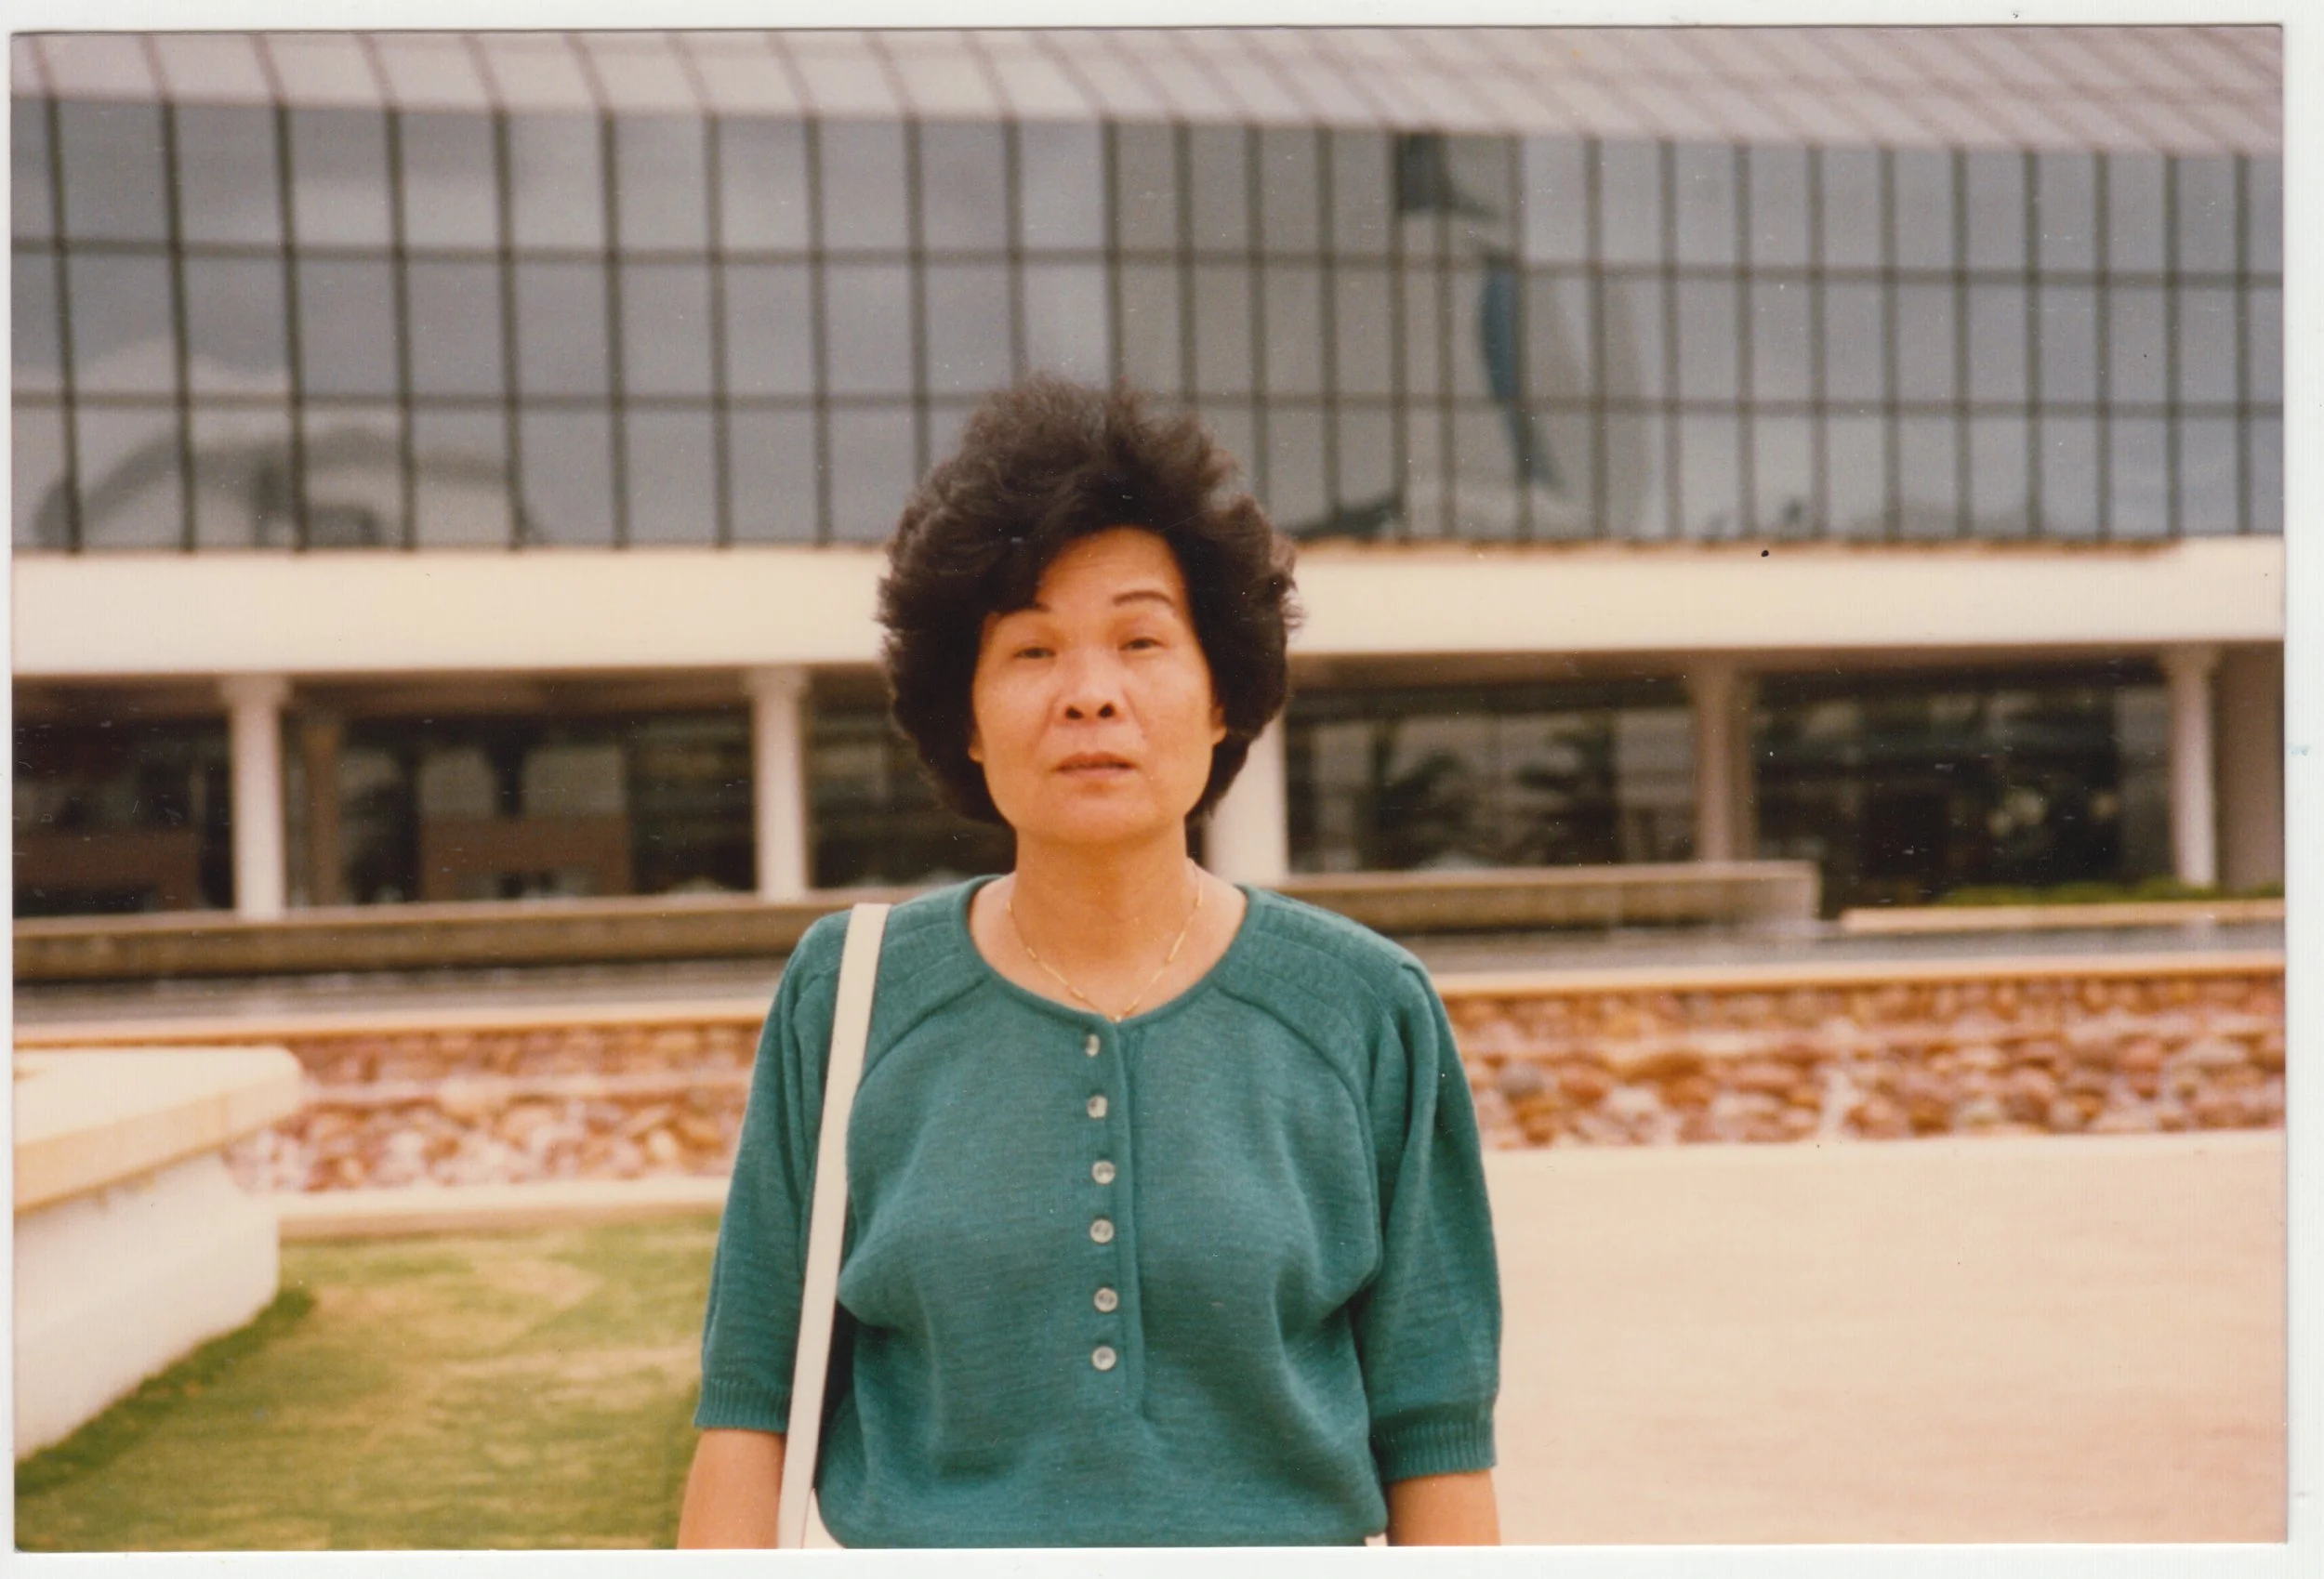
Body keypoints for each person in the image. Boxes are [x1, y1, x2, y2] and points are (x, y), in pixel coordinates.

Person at [677, 376, 1502, 1548]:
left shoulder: (1368, 1010)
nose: (1090, 695)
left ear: (1222, 693)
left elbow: (1437, 1437)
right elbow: (749, 1408)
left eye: (1140, 638)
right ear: (963, 713)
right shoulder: (848, 995)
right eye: (1030, 649)